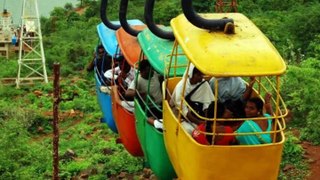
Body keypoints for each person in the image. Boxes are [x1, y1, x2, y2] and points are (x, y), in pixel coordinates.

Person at [170, 63, 215, 135]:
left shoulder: (204, 85)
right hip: (180, 115)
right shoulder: (181, 87)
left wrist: (208, 122)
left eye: (202, 75)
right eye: (199, 75)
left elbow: (208, 104)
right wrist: (199, 122)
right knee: (192, 131)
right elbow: (183, 111)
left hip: (197, 113)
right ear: (192, 75)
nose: (201, 77)